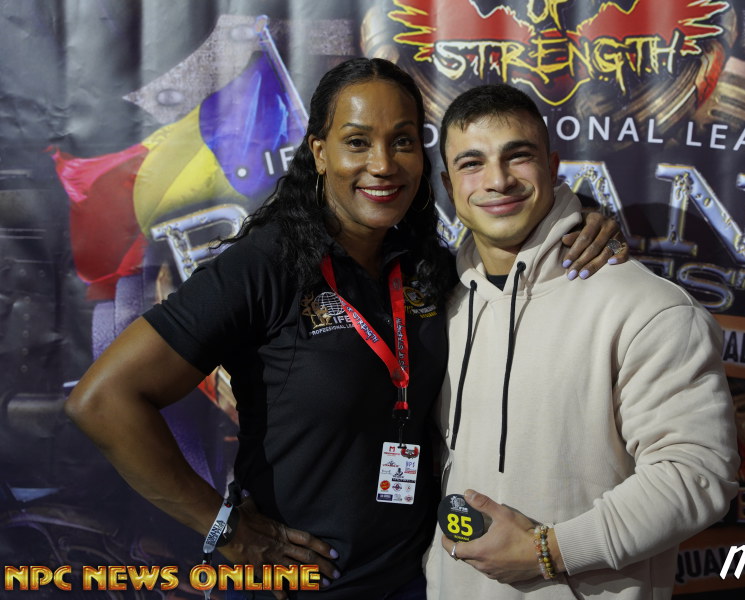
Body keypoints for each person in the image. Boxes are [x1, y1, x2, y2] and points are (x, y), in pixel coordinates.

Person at [64, 59, 625, 599]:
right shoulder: (268, 264)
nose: (383, 164)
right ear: (319, 152)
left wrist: (581, 221)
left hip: (418, 579)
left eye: (402, 141)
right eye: (357, 142)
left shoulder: (428, 265)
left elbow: (517, 248)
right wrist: (224, 529)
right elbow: (102, 400)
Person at [424, 84, 740, 599]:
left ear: (552, 166)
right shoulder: (443, 302)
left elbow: (696, 474)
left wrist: (549, 551)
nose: (498, 180)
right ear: (448, 182)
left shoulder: (648, 307)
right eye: (472, 163)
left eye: (518, 156)